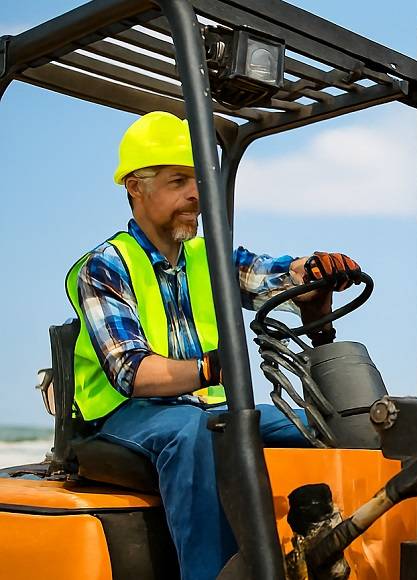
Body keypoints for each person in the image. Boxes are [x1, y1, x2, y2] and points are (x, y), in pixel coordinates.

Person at [67, 111, 360, 580]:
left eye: (199, 179)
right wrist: (210, 369)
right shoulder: (104, 266)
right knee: (194, 434)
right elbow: (130, 372)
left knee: (323, 425)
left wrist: (316, 271)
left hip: (210, 409)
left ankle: (322, 549)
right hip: (125, 416)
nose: (196, 194)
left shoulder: (211, 255)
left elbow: (275, 275)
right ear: (135, 188)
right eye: (179, 180)